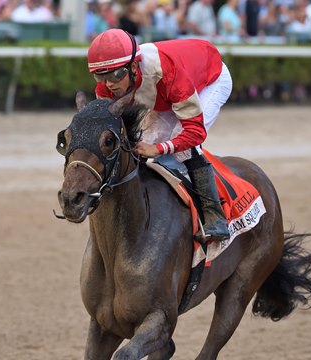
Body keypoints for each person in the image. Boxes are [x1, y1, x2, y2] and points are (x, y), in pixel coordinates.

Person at [87, 28, 232, 243]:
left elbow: (195, 132)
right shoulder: (108, 85)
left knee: (182, 147)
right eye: (101, 76)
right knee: (142, 139)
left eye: (116, 75)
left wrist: (159, 149)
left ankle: (214, 216)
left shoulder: (167, 72)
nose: (109, 84)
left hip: (209, 80)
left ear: (134, 66)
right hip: (165, 93)